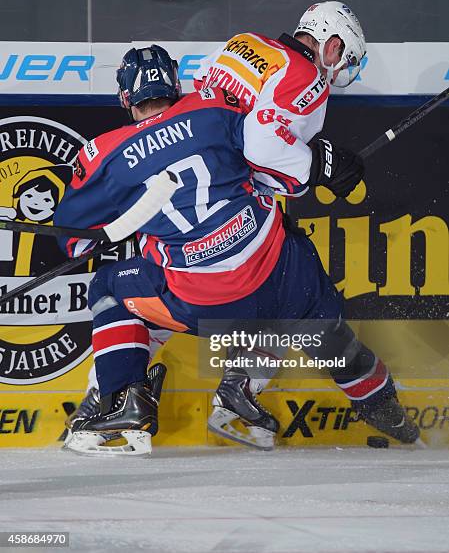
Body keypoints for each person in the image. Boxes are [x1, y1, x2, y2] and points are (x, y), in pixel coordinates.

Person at [55, 41, 419, 456]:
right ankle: (385, 410)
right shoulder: (214, 105)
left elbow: (76, 242)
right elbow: (273, 166)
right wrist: (319, 164)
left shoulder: (102, 155)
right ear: (175, 82)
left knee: (112, 289)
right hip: (276, 281)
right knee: (312, 311)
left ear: (124, 96)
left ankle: (120, 399)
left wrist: (118, 229)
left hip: (196, 300)